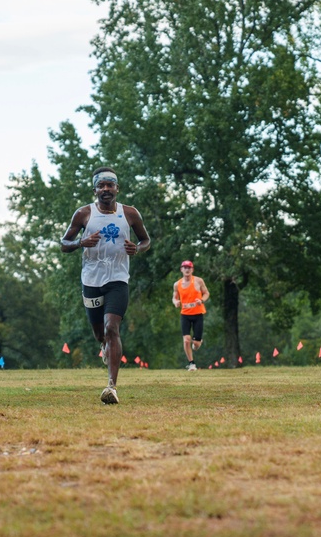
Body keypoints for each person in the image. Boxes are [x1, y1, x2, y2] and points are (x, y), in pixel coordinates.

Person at [60, 166, 151, 404]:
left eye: (110, 185)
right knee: (100, 333)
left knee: (112, 328)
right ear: (95, 190)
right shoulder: (83, 214)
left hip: (118, 280)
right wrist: (81, 242)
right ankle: (104, 347)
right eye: (101, 185)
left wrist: (137, 249)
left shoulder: (130, 213)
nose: (106, 189)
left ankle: (112, 386)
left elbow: (146, 240)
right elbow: (63, 243)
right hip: (91, 281)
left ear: (117, 189)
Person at [172, 260, 209, 371]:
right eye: (185, 267)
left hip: (198, 314)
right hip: (185, 315)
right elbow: (174, 297)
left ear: (192, 269)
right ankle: (191, 363)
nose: (187, 269)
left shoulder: (198, 281)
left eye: (189, 267)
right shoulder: (177, 284)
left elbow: (206, 293)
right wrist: (176, 302)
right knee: (186, 339)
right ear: (181, 269)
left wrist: (201, 300)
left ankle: (197, 342)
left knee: (196, 344)